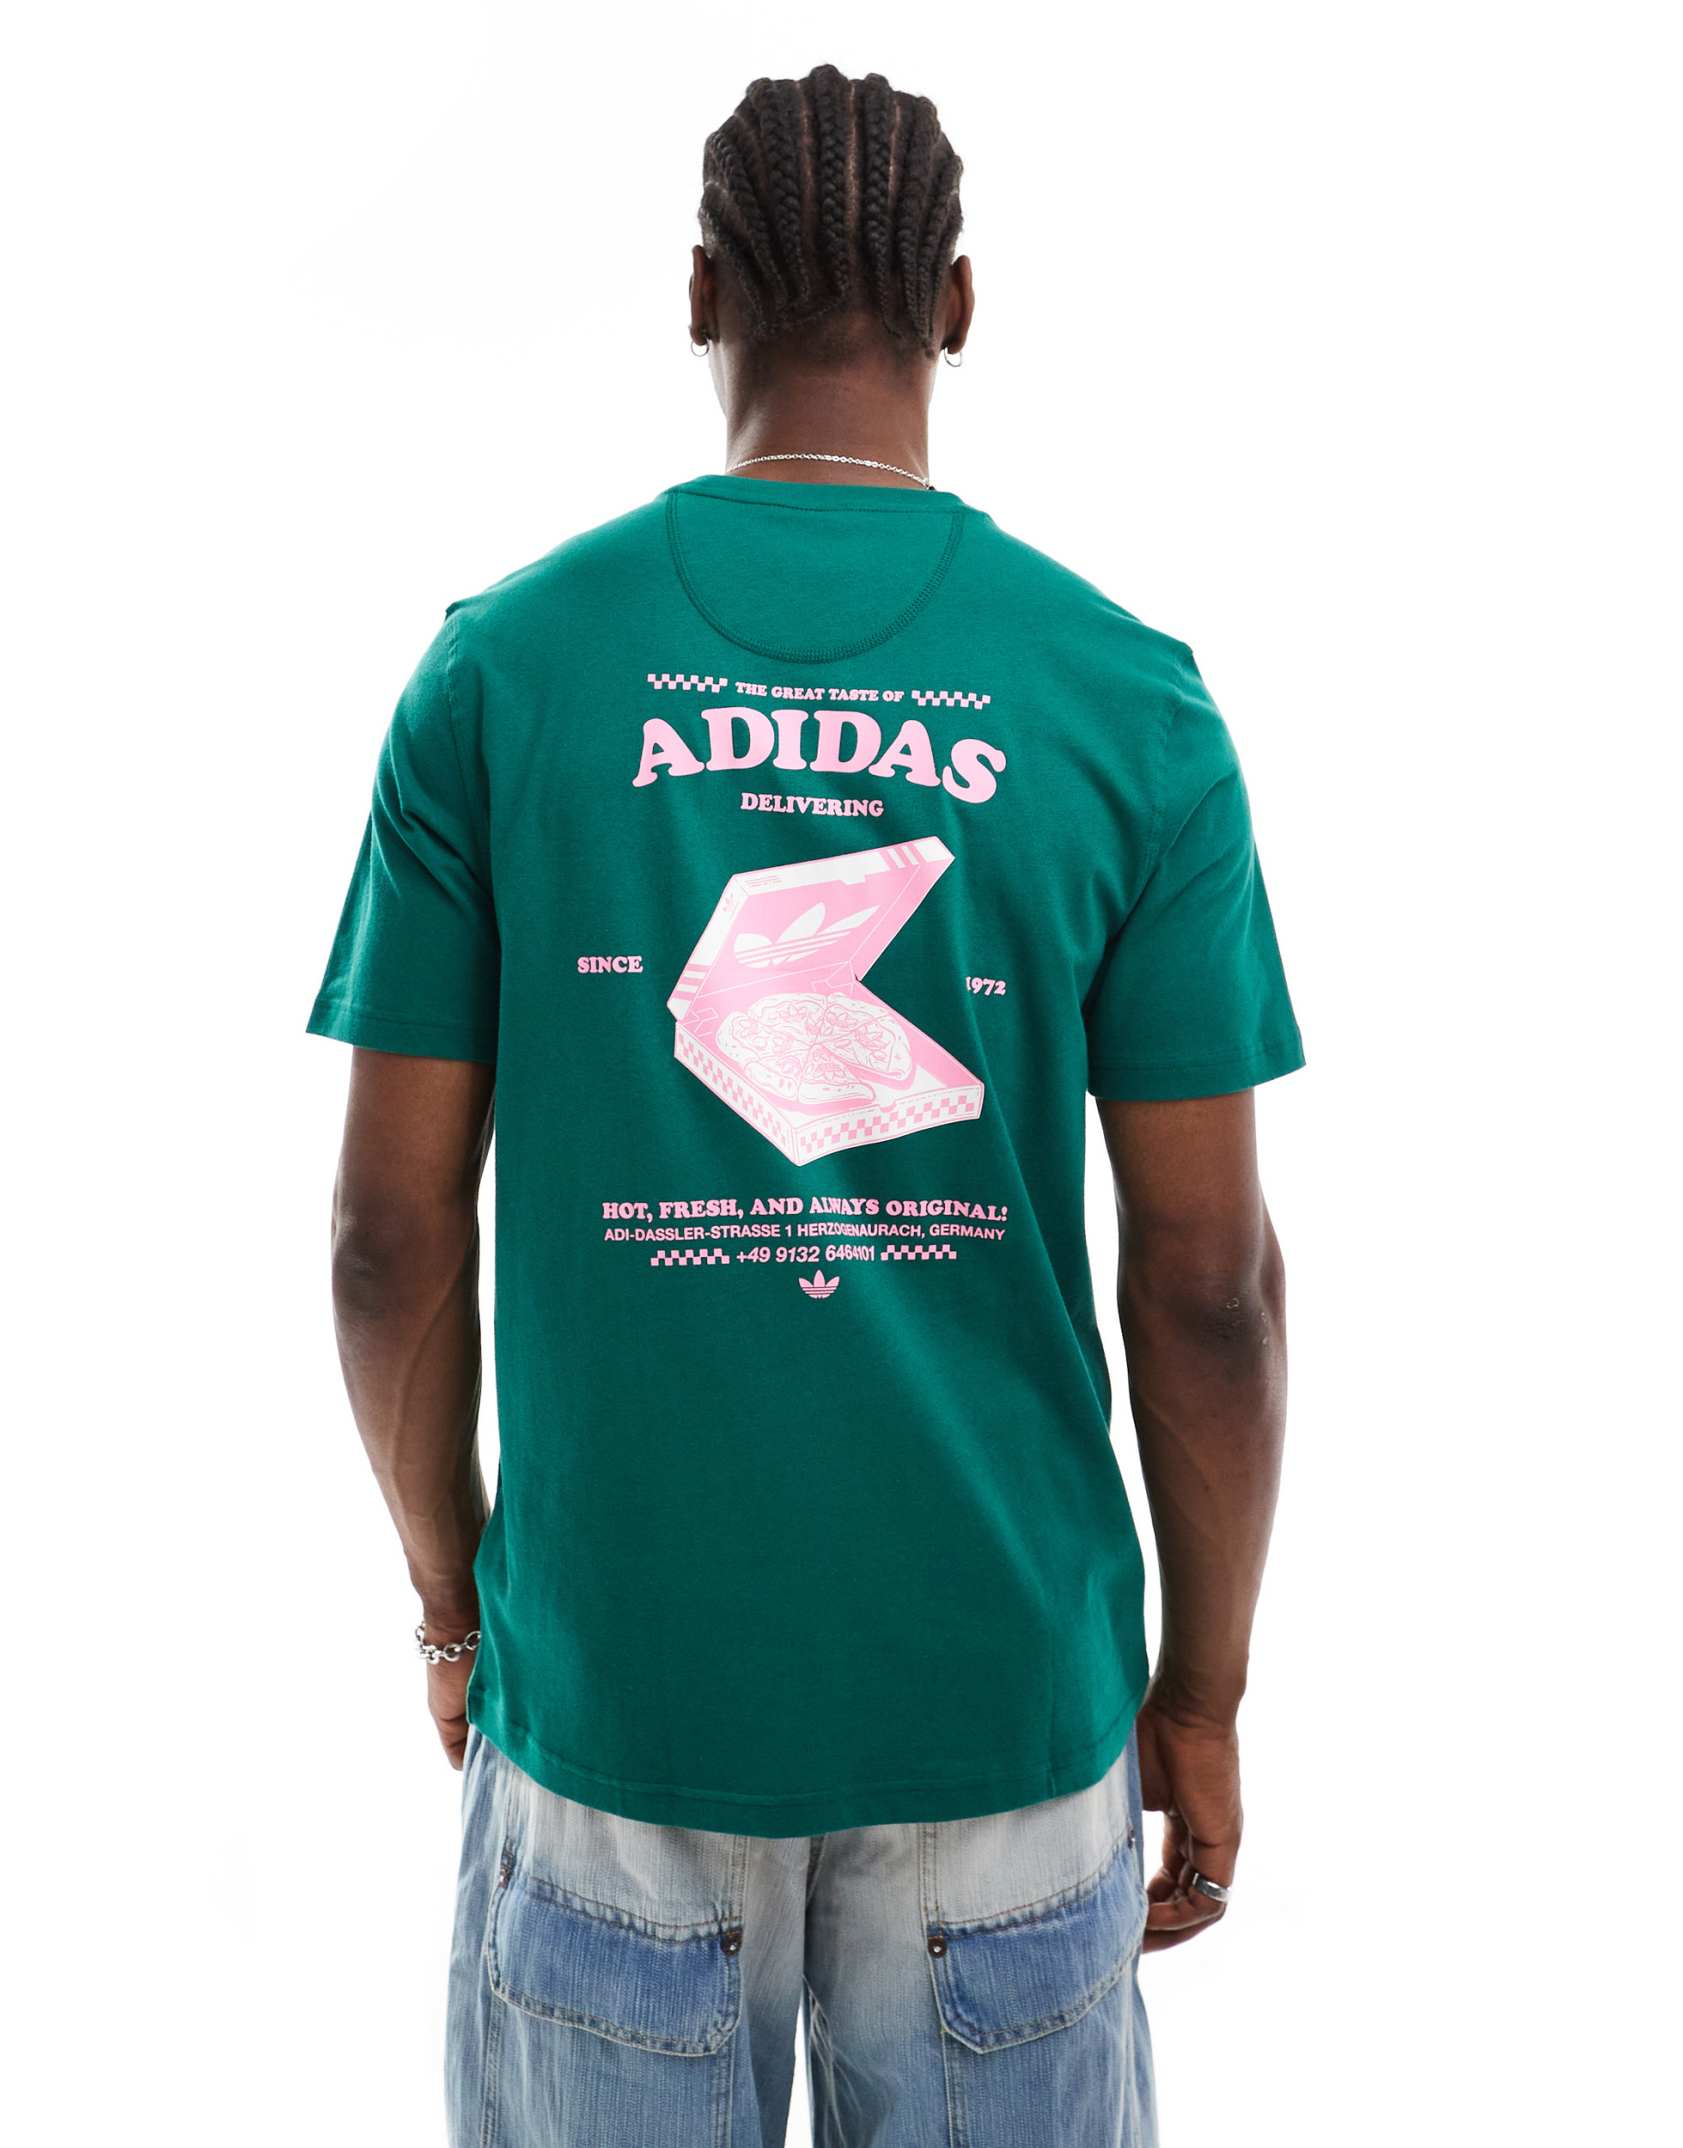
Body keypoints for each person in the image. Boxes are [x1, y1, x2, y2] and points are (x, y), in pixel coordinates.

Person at [311, 63, 1301, 2148]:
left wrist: (455, 1605)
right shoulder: (1126, 700)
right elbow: (1209, 1283)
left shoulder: (501, 676)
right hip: (1004, 1712)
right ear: (958, 305)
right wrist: (1200, 1695)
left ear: (699, 295)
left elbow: (387, 1240)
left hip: (618, 1708)